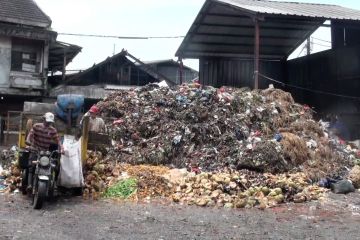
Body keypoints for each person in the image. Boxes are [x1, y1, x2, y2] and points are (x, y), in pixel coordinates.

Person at [25, 112, 63, 190]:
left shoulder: (52, 130)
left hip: (45, 152)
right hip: (35, 150)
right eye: (47, 121)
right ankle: (29, 185)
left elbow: (58, 141)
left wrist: (62, 149)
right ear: (44, 119)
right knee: (31, 166)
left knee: (51, 166)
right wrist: (28, 142)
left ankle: (52, 184)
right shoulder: (36, 126)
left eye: (50, 122)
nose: (48, 123)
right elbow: (30, 135)